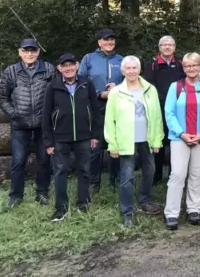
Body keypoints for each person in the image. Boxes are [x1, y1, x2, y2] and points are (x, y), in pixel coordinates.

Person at [105, 56, 164, 227]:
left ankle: (145, 200)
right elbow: (110, 120)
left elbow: (156, 116)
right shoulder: (116, 92)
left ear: (139, 70)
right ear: (123, 71)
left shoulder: (150, 89)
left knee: (150, 171)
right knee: (127, 176)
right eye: (128, 68)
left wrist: (157, 140)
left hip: (147, 138)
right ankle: (127, 211)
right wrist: (112, 144)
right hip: (126, 140)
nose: (131, 71)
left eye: (134, 68)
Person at [163, 53, 200, 230]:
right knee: (178, 174)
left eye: (194, 65)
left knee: (197, 174)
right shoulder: (176, 87)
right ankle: (171, 213)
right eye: (187, 66)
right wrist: (181, 134)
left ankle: (193, 209)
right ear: (183, 67)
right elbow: (169, 113)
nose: (191, 69)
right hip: (180, 138)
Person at [0, 38, 56, 210]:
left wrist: (50, 116)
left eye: (33, 50)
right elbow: (2, 98)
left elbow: (56, 94)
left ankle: (42, 192)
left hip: (43, 124)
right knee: (18, 161)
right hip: (20, 124)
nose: (29, 54)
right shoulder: (11, 71)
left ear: (38, 52)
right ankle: (15, 196)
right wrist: (13, 113)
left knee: (44, 159)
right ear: (20, 52)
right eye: (26, 51)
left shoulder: (48, 69)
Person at [42, 54, 101, 221]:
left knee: (84, 171)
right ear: (59, 68)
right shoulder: (52, 86)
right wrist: (48, 141)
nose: (68, 68)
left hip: (84, 137)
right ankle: (61, 208)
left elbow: (95, 110)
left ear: (77, 65)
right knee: (60, 171)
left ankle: (84, 204)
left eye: (71, 65)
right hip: (60, 138)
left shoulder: (86, 83)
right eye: (64, 65)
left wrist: (95, 134)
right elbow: (46, 115)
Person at [79, 28, 124, 190]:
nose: (109, 42)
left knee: (116, 146)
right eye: (106, 40)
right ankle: (93, 183)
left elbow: (131, 83)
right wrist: (100, 94)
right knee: (94, 148)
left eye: (112, 39)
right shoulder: (89, 59)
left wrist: (118, 87)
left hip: (118, 110)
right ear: (99, 42)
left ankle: (116, 181)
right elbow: (81, 82)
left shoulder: (122, 60)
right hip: (95, 109)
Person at [143, 35, 184, 185]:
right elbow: (149, 85)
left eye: (170, 44)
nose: (167, 47)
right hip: (158, 109)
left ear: (174, 47)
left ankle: (175, 173)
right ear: (159, 47)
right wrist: (162, 101)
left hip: (177, 110)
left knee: (175, 141)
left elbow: (185, 84)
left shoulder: (181, 63)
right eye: (164, 45)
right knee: (158, 141)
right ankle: (157, 175)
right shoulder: (151, 64)